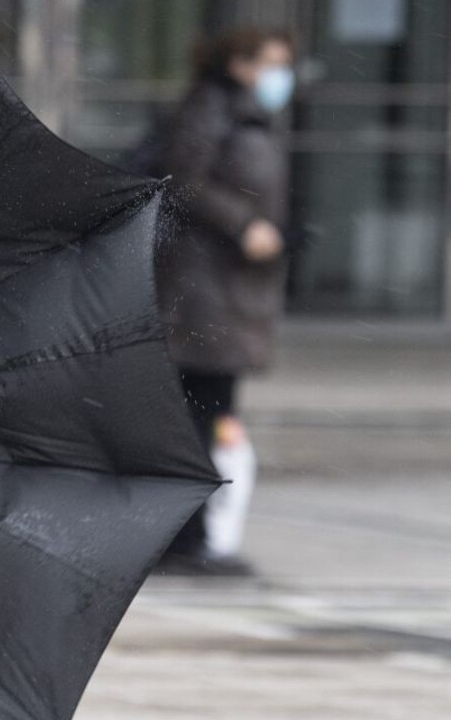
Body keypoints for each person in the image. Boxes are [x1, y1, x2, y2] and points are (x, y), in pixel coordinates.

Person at [154, 28, 296, 576]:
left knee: (214, 415)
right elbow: (182, 182)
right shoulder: (211, 108)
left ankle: (200, 536)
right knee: (203, 417)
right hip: (201, 292)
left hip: (228, 290)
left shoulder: (247, 115)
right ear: (238, 63)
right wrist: (244, 225)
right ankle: (186, 540)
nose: (279, 77)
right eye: (271, 64)